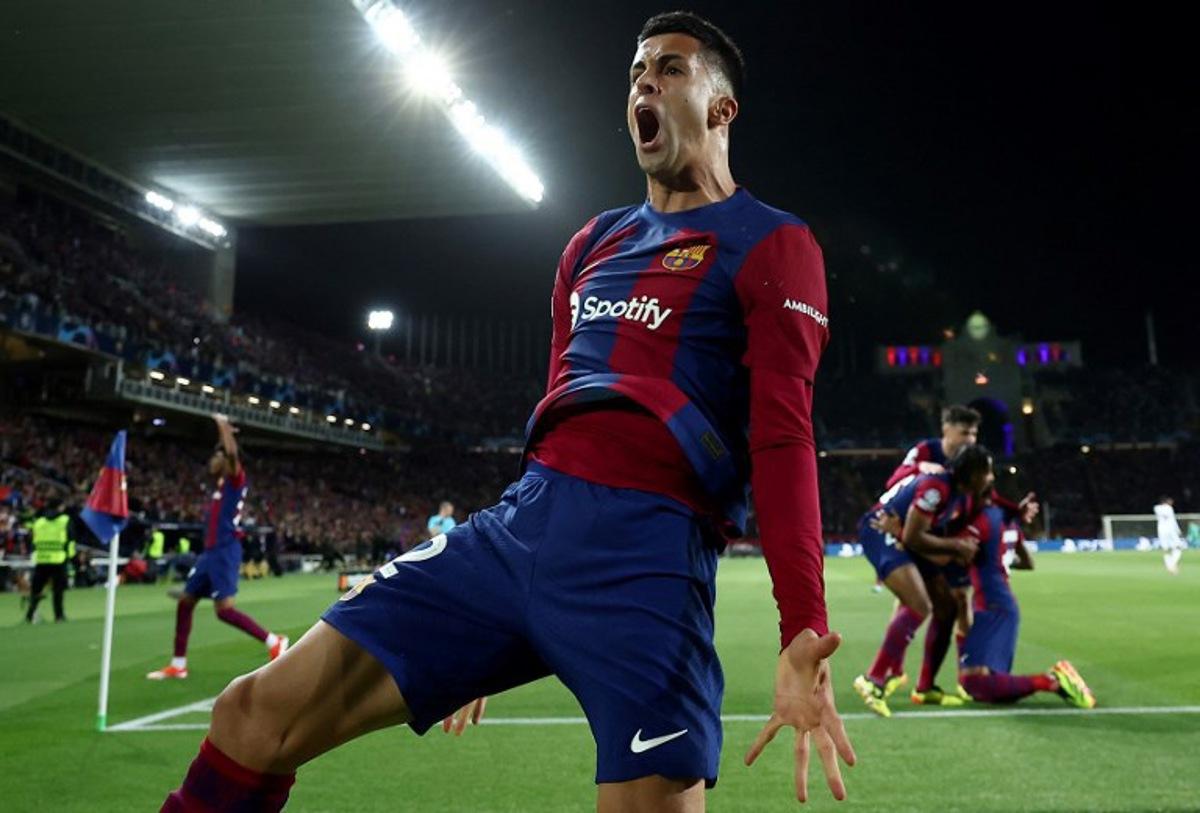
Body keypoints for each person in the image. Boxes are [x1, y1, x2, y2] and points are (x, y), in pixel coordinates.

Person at [159, 13, 855, 811]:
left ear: (722, 107)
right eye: (636, 72)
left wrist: (802, 625)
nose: (645, 83)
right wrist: (483, 632)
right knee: (251, 715)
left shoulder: (773, 243)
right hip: (517, 529)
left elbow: (782, 437)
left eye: (669, 69)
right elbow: (556, 409)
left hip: (645, 555)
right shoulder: (590, 244)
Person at [884, 405, 1038, 707]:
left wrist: (1016, 512)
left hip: (953, 537)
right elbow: (894, 482)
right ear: (946, 429)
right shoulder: (925, 452)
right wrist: (920, 469)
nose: (969, 438)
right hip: (923, 537)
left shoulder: (972, 461)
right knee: (911, 601)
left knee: (960, 603)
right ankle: (892, 669)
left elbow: (989, 495)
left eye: (974, 433)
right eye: (964, 432)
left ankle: (966, 675)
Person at [852, 445, 994, 717]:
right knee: (919, 604)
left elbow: (927, 542)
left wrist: (954, 549)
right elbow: (914, 537)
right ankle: (873, 679)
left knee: (947, 606)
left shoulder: (958, 495)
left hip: (904, 536)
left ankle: (925, 687)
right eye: (987, 472)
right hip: (880, 530)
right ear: (973, 474)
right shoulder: (937, 488)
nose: (991, 478)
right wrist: (957, 546)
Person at [147, 415, 288, 680]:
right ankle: (178, 665)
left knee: (224, 611)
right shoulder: (221, 486)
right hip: (210, 554)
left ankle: (274, 641)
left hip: (225, 551)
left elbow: (232, 453)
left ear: (225, 460)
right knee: (186, 602)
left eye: (216, 456)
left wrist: (222, 426)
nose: (211, 460)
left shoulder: (235, 480)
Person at [957, 505, 1096, 708]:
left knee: (975, 683)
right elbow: (1028, 563)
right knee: (982, 687)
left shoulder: (982, 522)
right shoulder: (1010, 524)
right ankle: (1050, 680)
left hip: (991, 603)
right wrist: (1002, 564)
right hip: (1001, 602)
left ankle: (1051, 680)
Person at [25, 498, 74, 623]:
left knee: (36, 590)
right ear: (60, 507)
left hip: (42, 559)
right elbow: (70, 540)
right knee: (58, 591)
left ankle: (30, 615)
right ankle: (59, 616)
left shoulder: (39, 522)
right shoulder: (65, 520)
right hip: (59, 560)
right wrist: (70, 557)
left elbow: (32, 539)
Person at [1156, 496, 1184, 574]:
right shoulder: (1169, 508)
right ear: (1166, 501)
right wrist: (1178, 530)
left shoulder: (1157, 508)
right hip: (1171, 530)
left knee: (1166, 549)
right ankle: (1172, 564)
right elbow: (1173, 520)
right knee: (1178, 547)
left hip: (1161, 531)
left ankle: (1169, 564)